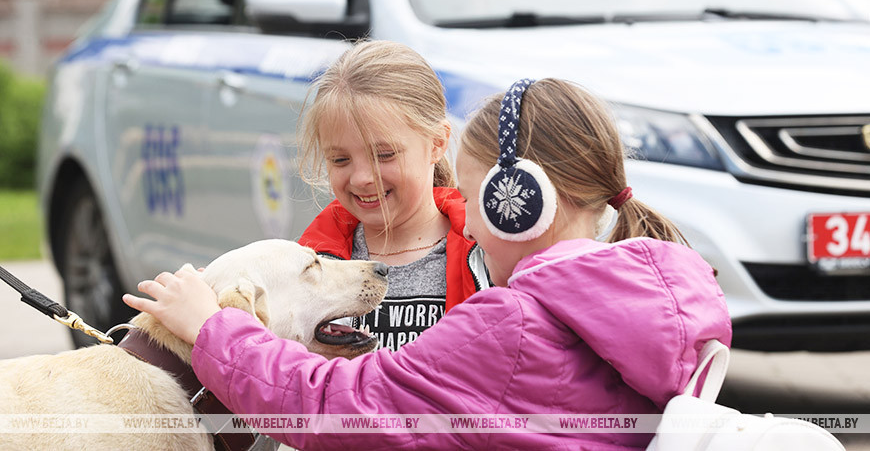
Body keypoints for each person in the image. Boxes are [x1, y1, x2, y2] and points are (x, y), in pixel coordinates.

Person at [125, 78, 732, 450]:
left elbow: (338, 409)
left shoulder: (515, 324)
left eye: (469, 198)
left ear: (517, 204)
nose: (464, 214)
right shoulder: (643, 301)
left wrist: (212, 327)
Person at [295, 40, 487, 351]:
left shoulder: (489, 255)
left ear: (437, 143)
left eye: (384, 155)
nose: (361, 178)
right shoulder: (308, 265)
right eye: (340, 160)